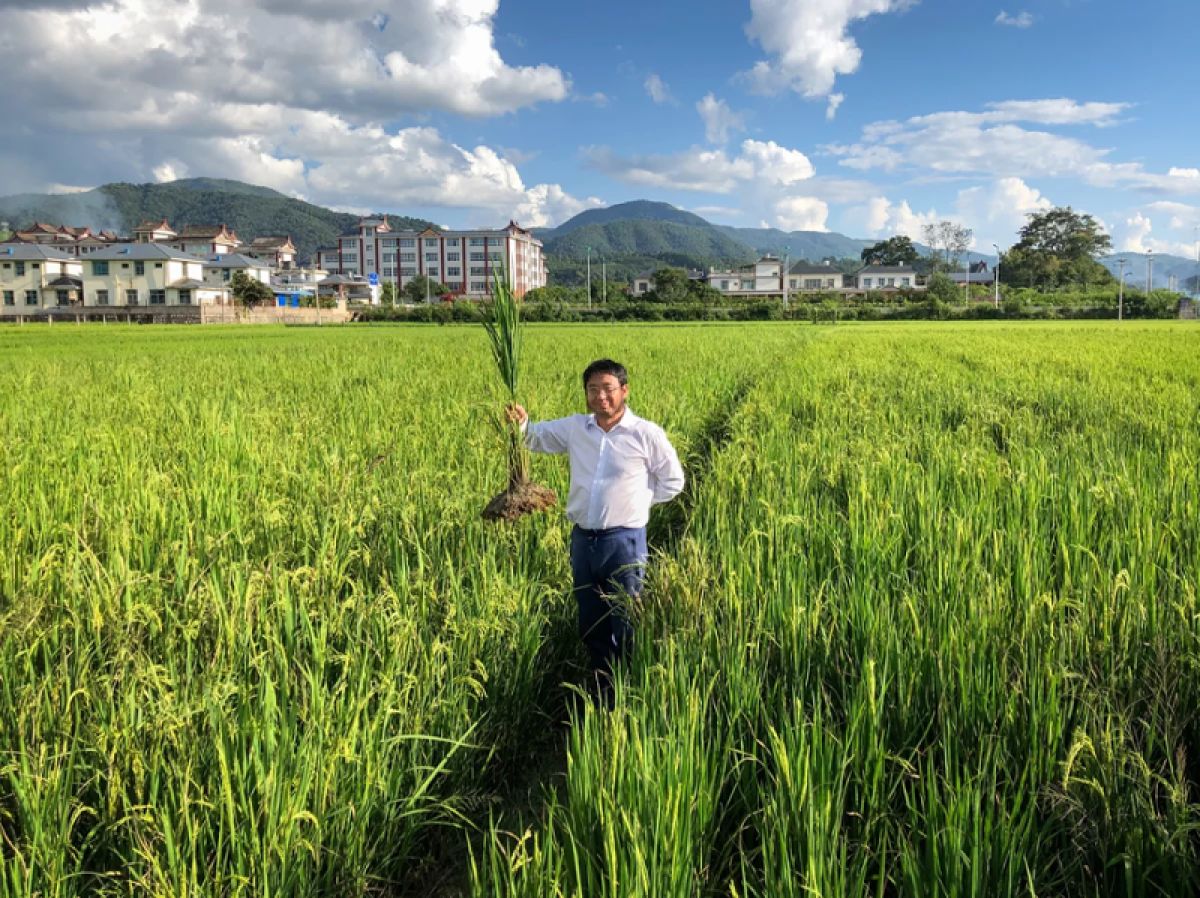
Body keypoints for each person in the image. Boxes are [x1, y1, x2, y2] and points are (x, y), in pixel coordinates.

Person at [506, 359, 685, 704]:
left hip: (625, 541)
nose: (600, 396)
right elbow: (534, 438)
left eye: (608, 389)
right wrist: (521, 421)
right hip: (583, 541)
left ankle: (629, 688)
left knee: (626, 617)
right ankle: (602, 686)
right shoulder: (576, 429)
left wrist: (638, 505)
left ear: (624, 391)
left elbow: (673, 481)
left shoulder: (645, 434)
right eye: (593, 389)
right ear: (586, 394)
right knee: (590, 616)